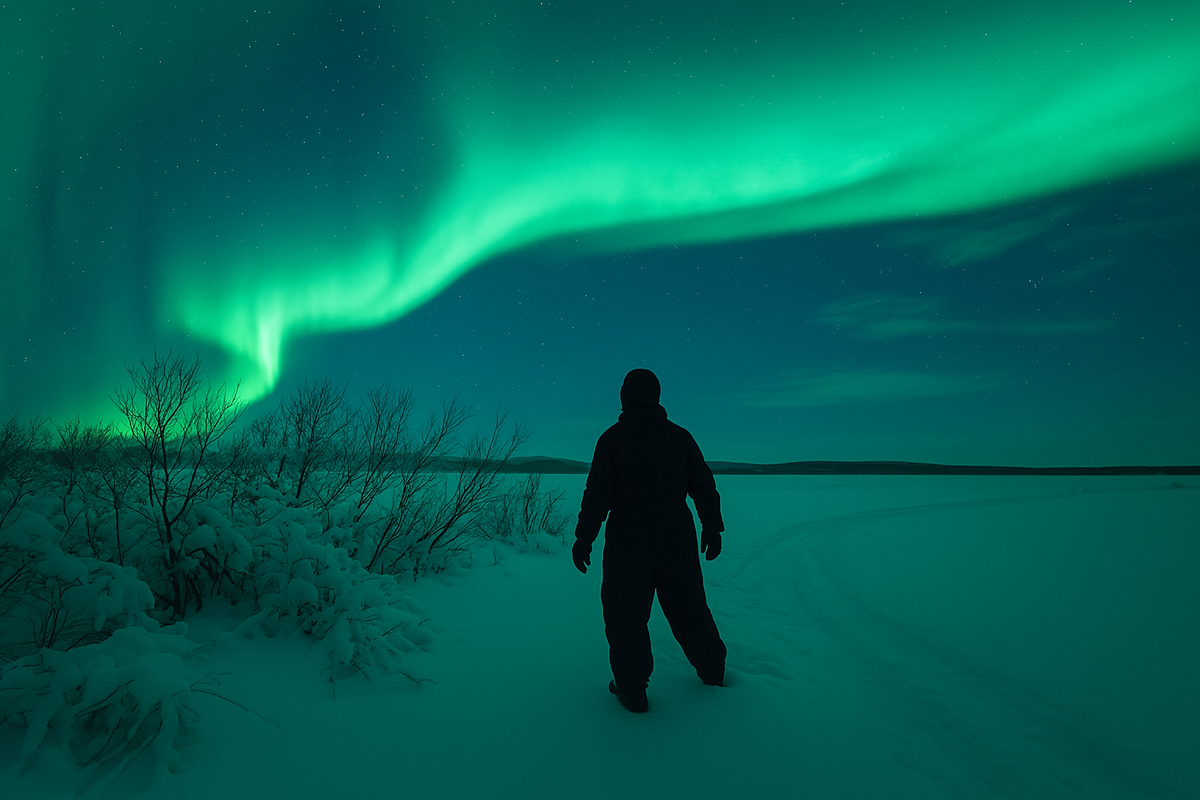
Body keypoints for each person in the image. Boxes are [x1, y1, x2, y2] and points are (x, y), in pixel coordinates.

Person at [572, 368, 727, 713]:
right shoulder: (679, 437)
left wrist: (584, 538)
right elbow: (703, 485)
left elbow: (597, 495)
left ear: (625, 397)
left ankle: (632, 688)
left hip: (629, 542)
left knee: (625, 615)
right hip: (676, 540)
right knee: (690, 609)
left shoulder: (612, 439)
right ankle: (713, 670)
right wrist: (712, 527)